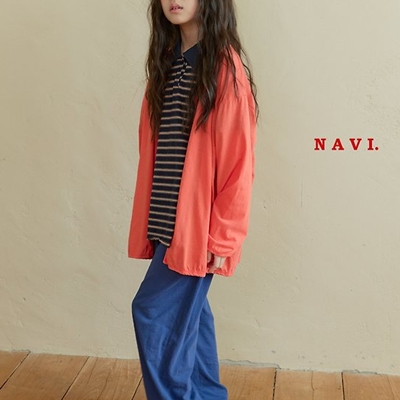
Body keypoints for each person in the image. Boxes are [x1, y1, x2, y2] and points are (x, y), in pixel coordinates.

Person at [128, 0, 257, 398]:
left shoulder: (223, 68)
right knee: (191, 321)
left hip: (196, 231)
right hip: (166, 222)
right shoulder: (169, 62)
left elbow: (239, 163)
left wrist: (224, 236)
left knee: (154, 315)